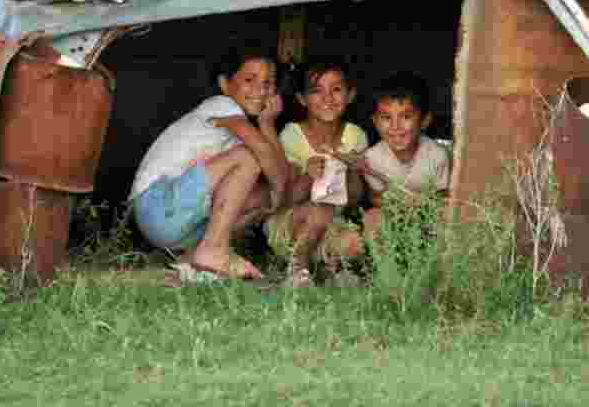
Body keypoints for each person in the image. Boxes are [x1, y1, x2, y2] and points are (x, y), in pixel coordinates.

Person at [128, 47, 290, 280]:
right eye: (249, 79)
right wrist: (280, 193)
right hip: (156, 204)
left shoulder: (236, 130)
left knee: (259, 193)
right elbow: (263, 155)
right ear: (225, 85)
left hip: (175, 220)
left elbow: (278, 171)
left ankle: (194, 258)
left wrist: (267, 124)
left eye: (268, 83)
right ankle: (213, 249)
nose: (260, 90)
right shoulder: (221, 105)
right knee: (250, 156)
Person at [265, 57, 370, 286]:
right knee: (321, 207)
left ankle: (322, 268)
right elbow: (284, 199)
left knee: (354, 242)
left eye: (336, 90)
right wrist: (307, 176)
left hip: (331, 225)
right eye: (316, 91)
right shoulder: (291, 136)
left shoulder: (355, 137)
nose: (327, 98)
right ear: (302, 99)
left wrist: (352, 171)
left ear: (350, 95)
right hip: (288, 224)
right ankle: (298, 266)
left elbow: (353, 200)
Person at [360, 72, 451, 238]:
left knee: (446, 214)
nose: (396, 127)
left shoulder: (438, 155)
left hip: (428, 216)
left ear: (424, 121)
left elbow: (442, 196)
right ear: (375, 122)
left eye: (406, 117)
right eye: (386, 117)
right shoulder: (371, 159)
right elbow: (375, 198)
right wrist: (401, 205)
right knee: (372, 218)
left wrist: (421, 205)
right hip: (392, 215)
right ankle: (383, 263)